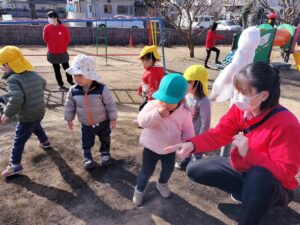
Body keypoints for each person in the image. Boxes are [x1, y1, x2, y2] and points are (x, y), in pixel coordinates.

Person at [164, 62, 300, 225]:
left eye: (244, 92)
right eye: (237, 90)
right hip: (244, 167)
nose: (238, 96)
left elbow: (285, 172)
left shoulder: (286, 124)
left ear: (264, 95)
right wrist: (192, 145)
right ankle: (248, 194)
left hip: (273, 183)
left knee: (258, 176)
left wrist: (249, 153)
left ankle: (253, 210)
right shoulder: (242, 110)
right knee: (195, 169)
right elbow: (219, 134)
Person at [132, 73, 195, 207]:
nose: (164, 103)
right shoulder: (153, 105)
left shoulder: (184, 112)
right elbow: (141, 121)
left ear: (180, 99)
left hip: (170, 148)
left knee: (168, 170)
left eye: (169, 100)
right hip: (151, 147)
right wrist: (157, 114)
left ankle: (162, 184)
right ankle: (139, 189)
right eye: (162, 98)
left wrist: (187, 144)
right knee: (146, 171)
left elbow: (188, 130)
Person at [0, 46, 51, 177]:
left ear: (8, 65)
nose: (2, 68)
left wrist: (6, 113)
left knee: (19, 139)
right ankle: (45, 142)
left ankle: (15, 165)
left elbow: (17, 99)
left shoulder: (13, 79)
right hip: (39, 110)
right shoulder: (33, 73)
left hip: (27, 115)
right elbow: (43, 83)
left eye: (3, 66)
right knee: (36, 125)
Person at [64, 54, 117, 170]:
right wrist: (69, 119)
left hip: (102, 122)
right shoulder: (73, 90)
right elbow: (69, 105)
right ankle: (87, 156)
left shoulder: (101, 88)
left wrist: (113, 118)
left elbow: (110, 104)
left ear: (90, 75)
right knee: (86, 141)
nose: (76, 78)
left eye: (80, 75)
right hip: (86, 124)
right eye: (75, 75)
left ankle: (105, 153)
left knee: (105, 138)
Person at [175, 65, 211, 170]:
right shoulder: (187, 96)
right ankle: (186, 161)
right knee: (186, 149)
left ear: (196, 83)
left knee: (197, 152)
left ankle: (198, 166)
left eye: (188, 82)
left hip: (197, 135)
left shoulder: (203, 101)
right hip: (187, 133)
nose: (184, 84)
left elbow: (206, 122)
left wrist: (201, 138)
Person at [43, 11, 74, 91]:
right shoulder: (47, 28)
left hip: (62, 52)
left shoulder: (63, 27)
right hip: (53, 52)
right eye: (48, 17)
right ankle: (61, 84)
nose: (48, 19)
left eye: (49, 17)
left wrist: (62, 46)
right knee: (56, 70)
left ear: (55, 18)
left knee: (67, 68)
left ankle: (71, 81)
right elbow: (45, 38)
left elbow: (67, 38)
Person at [137, 45, 164, 111]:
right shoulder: (150, 70)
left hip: (151, 99)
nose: (142, 62)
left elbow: (153, 88)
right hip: (149, 96)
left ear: (151, 60)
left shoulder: (151, 73)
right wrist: (140, 89)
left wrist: (150, 101)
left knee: (142, 110)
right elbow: (144, 80)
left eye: (143, 60)